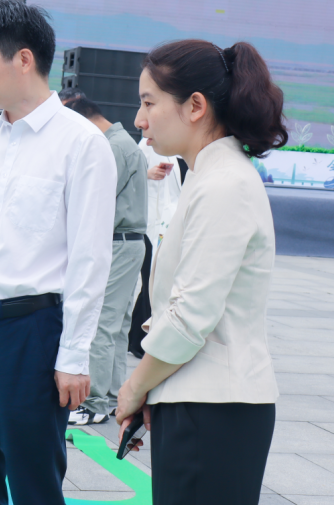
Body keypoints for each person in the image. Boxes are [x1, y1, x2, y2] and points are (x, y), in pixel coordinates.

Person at [0, 0, 116, 505]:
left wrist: (74, 355)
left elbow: (90, 259)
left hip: (28, 333)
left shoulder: (82, 144)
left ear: (24, 59)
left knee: (34, 480)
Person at [116, 40, 285, 505]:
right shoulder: (208, 176)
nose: (139, 119)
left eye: (149, 103)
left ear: (195, 106)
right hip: (202, 404)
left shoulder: (223, 183)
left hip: (215, 410)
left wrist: (134, 387)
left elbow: (190, 316)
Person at [58, 91, 148, 427]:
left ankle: (93, 401)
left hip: (118, 242)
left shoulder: (110, 147)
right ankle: (108, 397)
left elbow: (93, 201)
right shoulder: (122, 143)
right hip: (128, 242)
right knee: (117, 324)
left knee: (100, 323)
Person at [127, 137, 182, 358]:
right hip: (152, 223)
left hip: (165, 223)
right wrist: (148, 174)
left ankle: (136, 338)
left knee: (153, 282)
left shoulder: (174, 150)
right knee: (152, 281)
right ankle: (139, 341)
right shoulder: (145, 145)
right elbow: (129, 176)